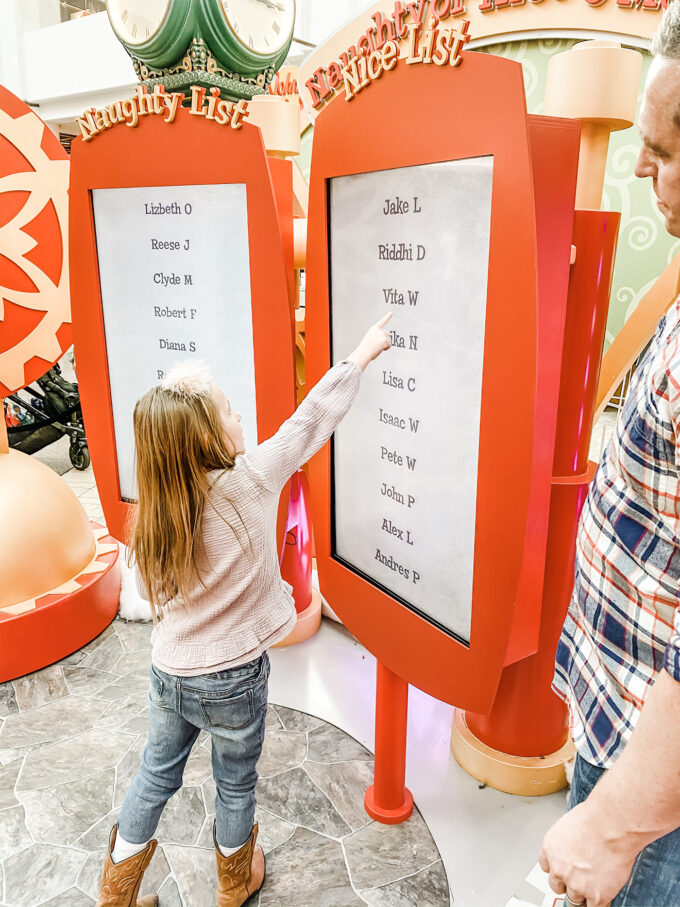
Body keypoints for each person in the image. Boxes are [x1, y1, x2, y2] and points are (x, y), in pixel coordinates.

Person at [94, 314, 392, 907]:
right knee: (234, 785)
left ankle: (117, 890)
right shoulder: (252, 480)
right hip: (232, 678)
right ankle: (234, 885)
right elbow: (310, 422)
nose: (241, 419)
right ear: (208, 436)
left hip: (170, 673)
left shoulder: (156, 508)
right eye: (230, 412)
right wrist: (359, 356)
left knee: (155, 775)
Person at [539, 6, 680, 906]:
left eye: (665, 150)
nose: (639, 168)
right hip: (616, 715)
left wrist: (612, 821)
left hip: (650, 791)